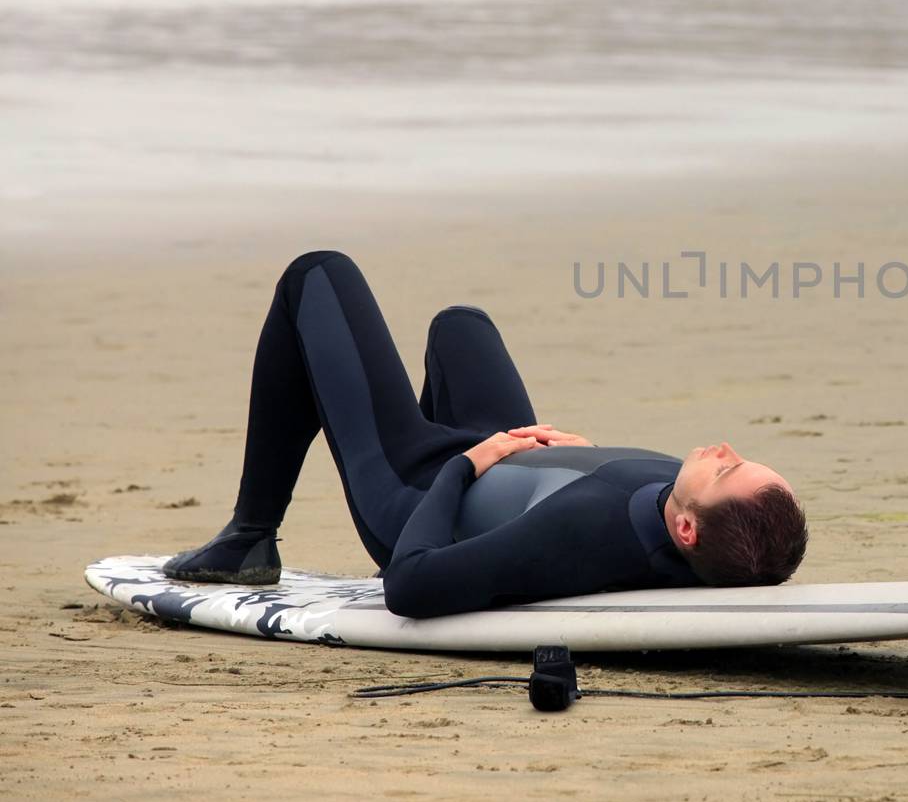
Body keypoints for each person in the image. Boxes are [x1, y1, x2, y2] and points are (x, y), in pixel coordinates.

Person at [162, 251, 807, 618]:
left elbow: (410, 587)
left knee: (316, 277)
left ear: (687, 530)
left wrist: (465, 466)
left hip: (415, 492)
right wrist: (583, 458)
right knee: (460, 327)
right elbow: (714, 539)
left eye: (725, 470)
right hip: (507, 460)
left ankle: (249, 537)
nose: (724, 449)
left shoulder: (582, 533)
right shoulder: (691, 530)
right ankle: (382, 417)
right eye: (743, 460)